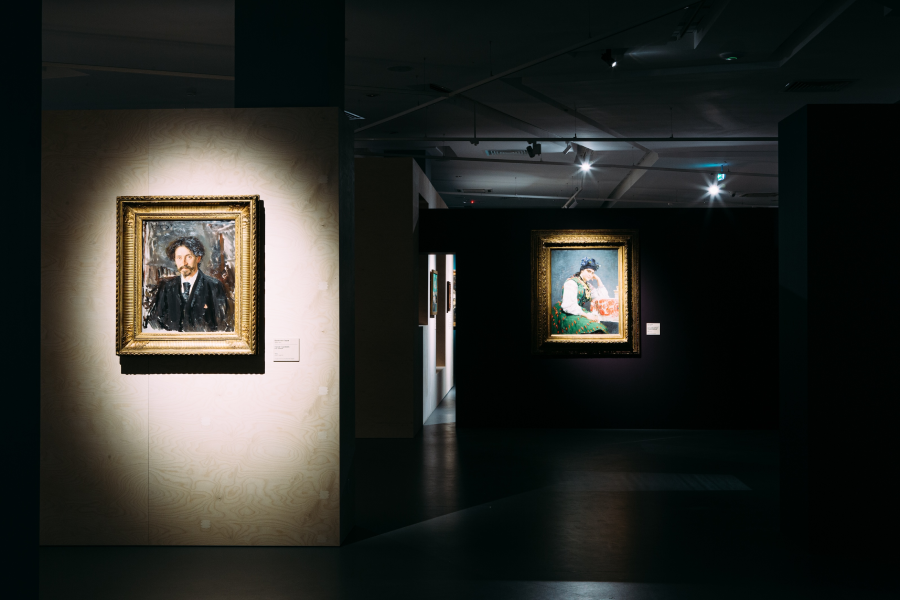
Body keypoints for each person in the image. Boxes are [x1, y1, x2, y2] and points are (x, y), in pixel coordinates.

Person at [146, 236, 230, 332]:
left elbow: (222, 325)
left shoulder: (214, 286)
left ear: (198, 258)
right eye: (179, 258)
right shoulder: (166, 287)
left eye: (189, 257)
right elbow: (154, 322)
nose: (184, 263)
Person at [549, 257, 609, 334]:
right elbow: (568, 307)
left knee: (600, 328)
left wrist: (598, 280)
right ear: (582, 270)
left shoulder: (588, 286)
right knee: (595, 329)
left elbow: (602, 298)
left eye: (592, 273)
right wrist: (587, 315)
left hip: (578, 312)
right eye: (588, 271)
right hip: (566, 313)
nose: (590, 275)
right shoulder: (572, 282)